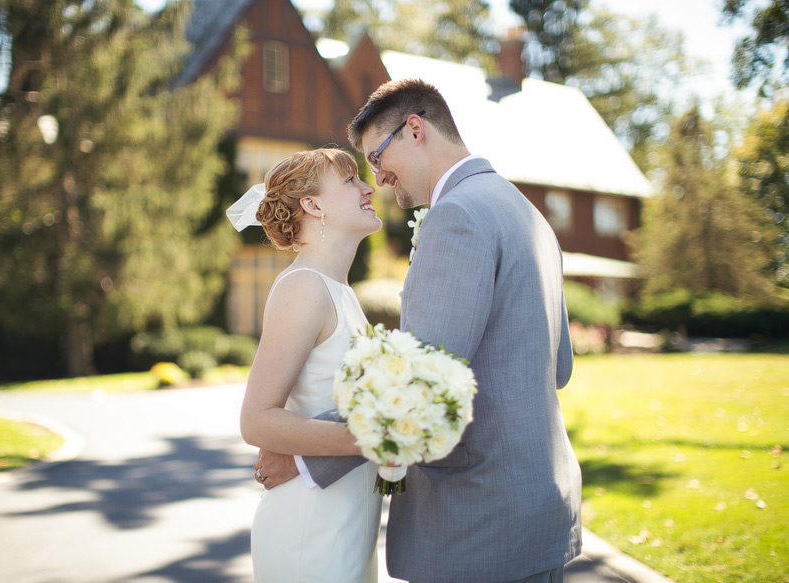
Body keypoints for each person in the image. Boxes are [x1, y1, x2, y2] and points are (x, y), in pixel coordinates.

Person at [258, 79, 582, 583]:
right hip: (537, 510)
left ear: (415, 130)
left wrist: (305, 460)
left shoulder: (456, 216)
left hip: (475, 519)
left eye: (376, 157)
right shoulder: (526, 211)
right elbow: (558, 369)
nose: (378, 178)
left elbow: (419, 381)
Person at [231, 149, 384, 582]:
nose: (368, 187)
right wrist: (379, 437)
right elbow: (257, 420)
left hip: (348, 523)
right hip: (309, 530)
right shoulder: (303, 288)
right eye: (351, 180)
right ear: (313, 205)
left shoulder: (340, 291)